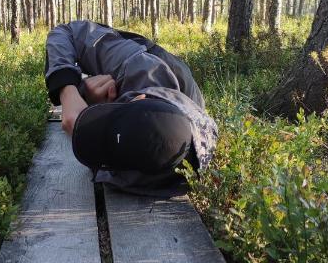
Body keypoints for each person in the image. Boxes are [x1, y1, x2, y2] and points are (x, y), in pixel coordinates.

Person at [45, 20, 217, 195]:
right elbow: (65, 32)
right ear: (137, 99)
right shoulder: (131, 62)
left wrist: (92, 102)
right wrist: (68, 91)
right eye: (108, 119)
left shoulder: (161, 172)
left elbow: (111, 174)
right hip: (146, 62)